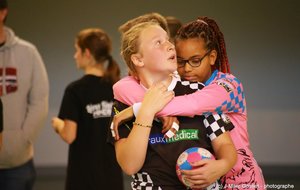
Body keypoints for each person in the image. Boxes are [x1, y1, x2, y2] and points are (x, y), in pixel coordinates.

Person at [112, 17, 266, 189]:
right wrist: (144, 110)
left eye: (195, 60)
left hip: (242, 180)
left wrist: (139, 109)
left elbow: (194, 105)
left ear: (213, 56)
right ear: (138, 59)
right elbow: (129, 165)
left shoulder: (215, 88)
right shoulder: (124, 96)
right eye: (158, 42)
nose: (170, 45)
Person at [51, 28, 124, 190]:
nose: (74, 55)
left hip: (83, 177)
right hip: (112, 174)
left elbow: (69, 135)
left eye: (77, 51)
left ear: (87, 53)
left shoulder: (75, 90)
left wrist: (57, 124)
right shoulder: (118, 88)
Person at [0, 0, 49, 189]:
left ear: (3, 13)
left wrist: (23, 138)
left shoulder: (27, 52)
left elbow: (39, 100)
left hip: (17, 163)